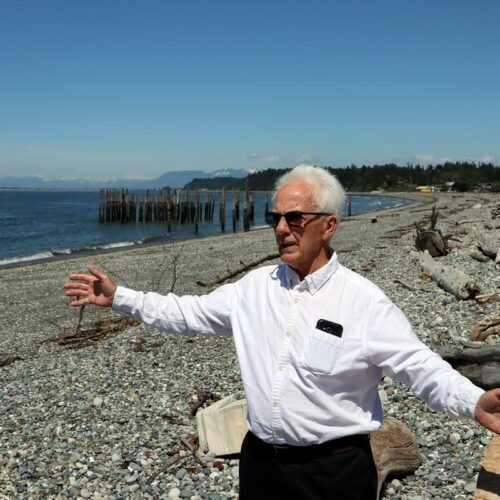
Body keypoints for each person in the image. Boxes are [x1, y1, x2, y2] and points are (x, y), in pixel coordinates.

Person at [65, 165, 500, 500]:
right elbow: (187, 312)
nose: (279, 228)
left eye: (294, 218)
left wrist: (472, 400)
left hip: (334, 474)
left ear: (329, 225)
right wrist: (120, 296)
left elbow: (418, 365)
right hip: (261, 464)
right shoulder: (253, 289)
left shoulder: (364, 302)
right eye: (275, 217)